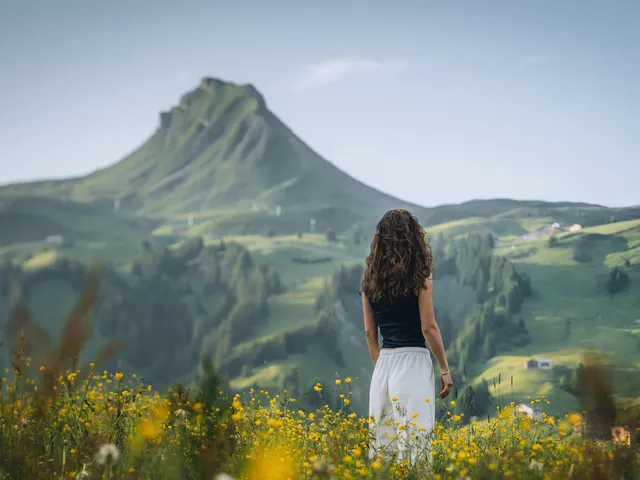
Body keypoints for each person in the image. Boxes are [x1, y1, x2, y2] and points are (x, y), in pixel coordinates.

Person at [360, 209, 453, 464]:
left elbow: (370, 334)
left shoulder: (369, 281)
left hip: (383, 368)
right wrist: (445, 369)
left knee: (383, 453)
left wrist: (383, 369)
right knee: (416, 451)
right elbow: (428, 327)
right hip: (413, 363)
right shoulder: (420, 278)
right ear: (413, 239)